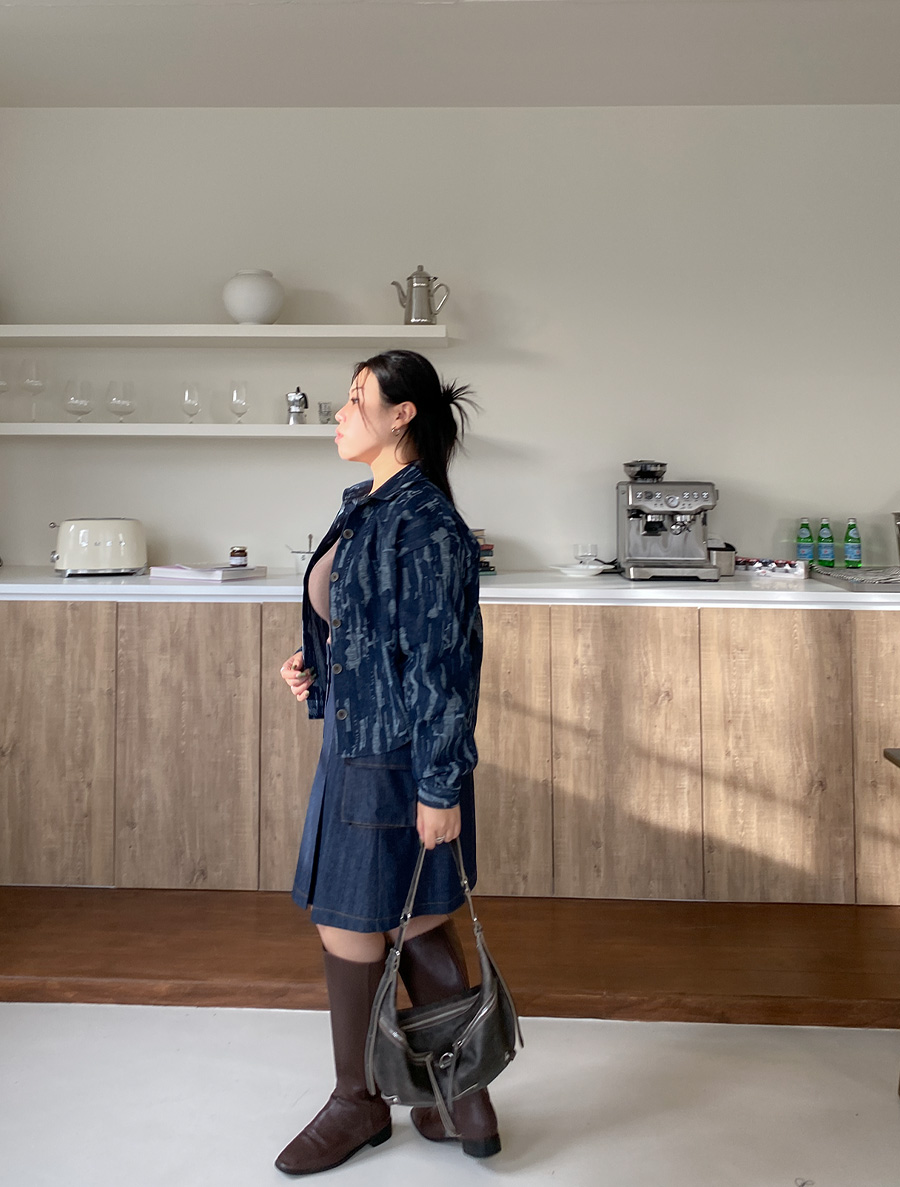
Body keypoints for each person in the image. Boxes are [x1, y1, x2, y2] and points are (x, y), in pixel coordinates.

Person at [275, 350, 497, 1176]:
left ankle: (358, 1101)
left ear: (403, 414)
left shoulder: (425, 521)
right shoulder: (366, 506)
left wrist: (440, 786)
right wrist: (317, 666)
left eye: (356, 397)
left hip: (393, 756)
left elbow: (441, 665)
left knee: (351, 918)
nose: (339, 412)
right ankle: (459, 1095)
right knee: (411, 914)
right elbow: (369, 628)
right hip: (363, 740)